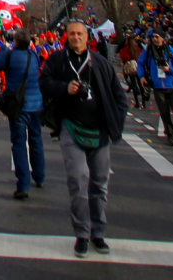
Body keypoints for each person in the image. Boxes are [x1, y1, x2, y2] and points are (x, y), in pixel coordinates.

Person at [40, 20, 127, 258]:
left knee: (99, 184)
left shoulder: (101, 63)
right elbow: (44, 84)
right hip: (71, 126)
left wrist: (115, 124)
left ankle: (98, 233)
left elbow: (119, 97)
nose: (76, 37)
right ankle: (82, 234)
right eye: (71, 34)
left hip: (99, 130)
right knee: (78, 180)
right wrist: (63, 88)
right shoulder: (57, 60)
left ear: (87, 37)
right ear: (66, 37)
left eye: (79, 33)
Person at [0, 29, 45, 199]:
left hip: (18, 106)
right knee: (36, 139)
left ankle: (23, 184)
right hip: (36, 104)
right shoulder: (33, 56)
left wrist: (4, 47)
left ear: (14, 42)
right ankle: (40, 175)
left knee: (19, 142)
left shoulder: (10, 55)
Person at [137, 32, 173, 147]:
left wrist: (169, 69)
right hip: (158, 87)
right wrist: (142, 76)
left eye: (157, 36)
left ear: (162, 38)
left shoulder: (169, 49)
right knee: (164, 113)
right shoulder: (148, 50)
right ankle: (170, 135)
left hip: (172, 85)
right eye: (153, 37)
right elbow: (140, 63)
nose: (154, 39)